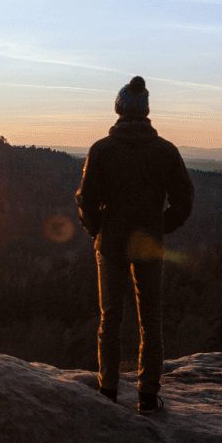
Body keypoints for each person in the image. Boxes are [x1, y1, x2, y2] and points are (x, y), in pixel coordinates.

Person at [76, 75, 194, 413]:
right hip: (149, 244)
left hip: (110, 242)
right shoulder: (165, 151)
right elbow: (184, 200)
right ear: (145, 111)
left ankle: (108, 391)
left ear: (119, 109)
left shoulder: (102, 150)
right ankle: (147, 394)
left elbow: (85, 199)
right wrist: (161, 226)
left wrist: (95, 230)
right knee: (150, 319)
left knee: (110, 319)